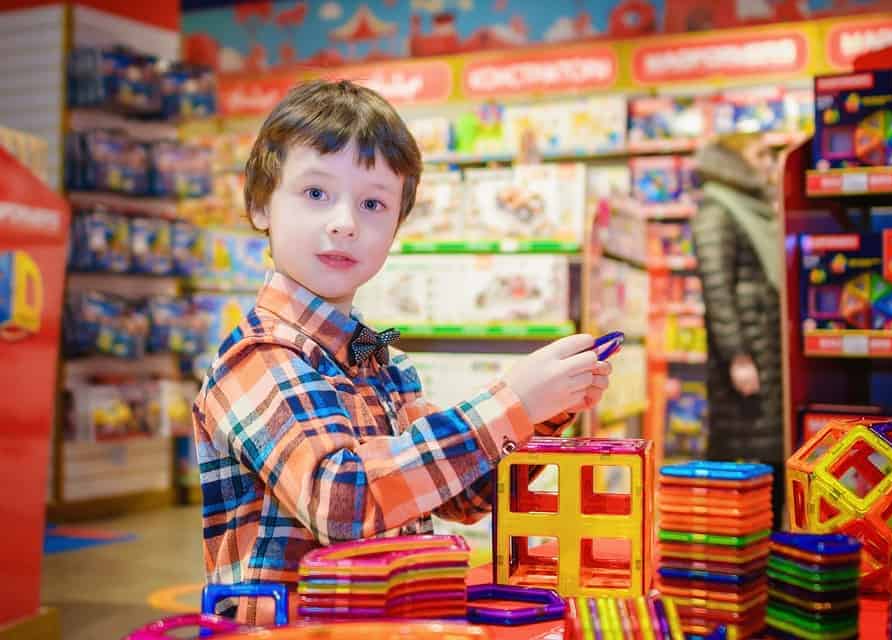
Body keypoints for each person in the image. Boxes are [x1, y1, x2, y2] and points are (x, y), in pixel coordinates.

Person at [192, 80, 612, 625]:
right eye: (315, 193)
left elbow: (460, 497)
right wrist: (511, 401)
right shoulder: (258, 357)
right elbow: (341, 500)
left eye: (372, 203)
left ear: (396, 228)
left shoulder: (382, 359)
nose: (344, 221)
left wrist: (543, 408)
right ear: (260, 204)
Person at [690, 134, 785, 527]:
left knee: (769, 450)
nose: (767, 162)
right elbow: (717, 288)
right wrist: (738, 355)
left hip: (765, 349)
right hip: (748, 356)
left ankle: (767, 540)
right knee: (742, 456)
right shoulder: (718, 210)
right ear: (733, 160)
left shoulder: (752, 208)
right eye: (760, 153)